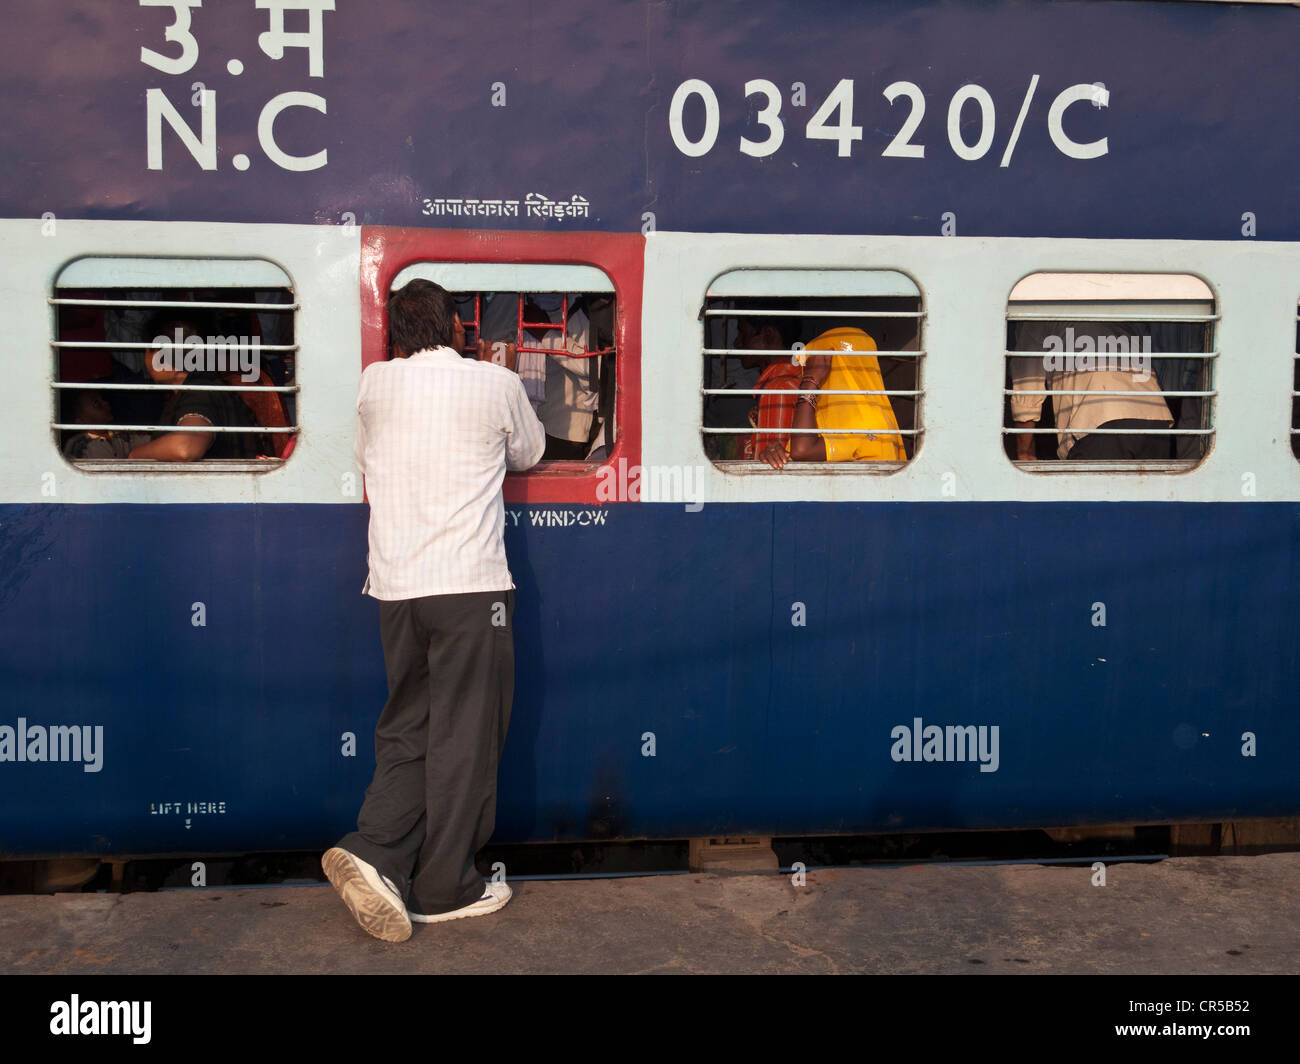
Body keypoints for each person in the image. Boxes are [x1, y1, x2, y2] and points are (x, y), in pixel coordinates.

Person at [322, 278, 544, 942]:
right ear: (456, 328)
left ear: (395, 336)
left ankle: (376, 850)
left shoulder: (373, 386)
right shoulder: (494, 384)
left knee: (408, 728)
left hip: (395, 588)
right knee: (467, 737)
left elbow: (367, 458)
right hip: (471, 587)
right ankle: (447, 886)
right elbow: (529, 452)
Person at [1009, 321, 1173, 460]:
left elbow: (1027, 385)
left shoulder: (1038, 313)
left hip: (1101, 418)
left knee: (1092, 495)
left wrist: (1024, 451)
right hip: (1156, 418)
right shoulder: (1115, 307)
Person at [757, 327, 905, 468]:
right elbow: (798, 456)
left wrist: (810, 381)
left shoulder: (869, 424)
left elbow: (801, 451)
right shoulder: (830, 424)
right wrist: (775, 454)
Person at [127, 317, 264, 460]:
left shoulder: (199, 393)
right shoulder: (204, 386)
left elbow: (185, 447)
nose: (145, 358)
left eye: (148, 351)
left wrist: (134, 456)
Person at [62, 390, 149, 459]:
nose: (105, 403)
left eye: (103, 399)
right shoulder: (79, 445)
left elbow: (147, 441)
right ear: (80, 422)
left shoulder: (119, 434)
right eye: (97, 404)